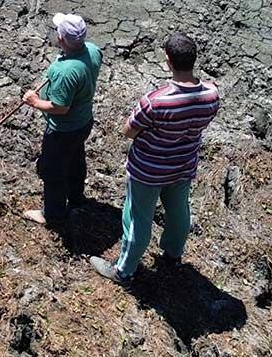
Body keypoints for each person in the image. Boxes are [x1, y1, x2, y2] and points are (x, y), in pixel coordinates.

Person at [91, 33, 220, 284]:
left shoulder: (155, 101)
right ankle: (172, 254)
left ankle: (124, 271)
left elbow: (129, 131)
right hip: (183, 165)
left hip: (148, 171)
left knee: (138, 218)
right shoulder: (212, 94)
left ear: (168, 60)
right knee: (179, 210)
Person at [22, 13, 103, 225]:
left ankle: (52, 213)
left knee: (53, 171)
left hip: (63, 130)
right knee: (76, 160)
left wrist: (33, 101)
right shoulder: (93, 51)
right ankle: (76, 198)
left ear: (62, 39)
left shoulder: (64, 71)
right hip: (84, 122)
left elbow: (59, 108)